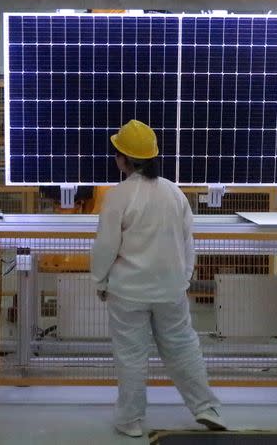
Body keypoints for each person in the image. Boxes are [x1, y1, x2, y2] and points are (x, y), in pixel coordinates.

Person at [91, 119, 226, 438]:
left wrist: (99, 281)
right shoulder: (174, 193)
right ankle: (206, 407)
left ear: (124, 160)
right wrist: (184, 279)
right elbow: (187, 241)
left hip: (128, 293)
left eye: (117, 153)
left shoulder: (118, 196)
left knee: (132, 356)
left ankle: (130, 420)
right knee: (183, 349)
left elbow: (106, 245)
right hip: (171, 291)